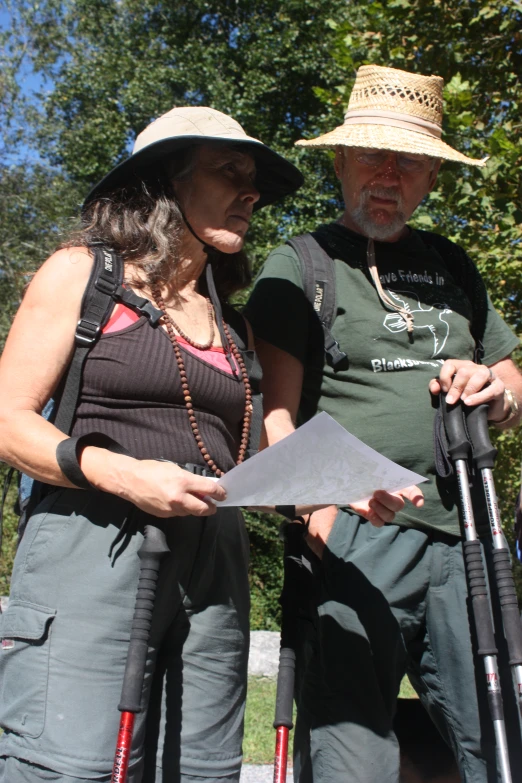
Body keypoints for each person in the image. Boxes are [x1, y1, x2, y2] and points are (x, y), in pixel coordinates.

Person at [0, 106, 305, 783]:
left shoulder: (235, 327)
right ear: (166, 180)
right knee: (71, 767)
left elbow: (254, 465)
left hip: (214, 565)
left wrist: (336, 485)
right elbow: (7, 421)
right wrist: (121, 472)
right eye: (230, 171)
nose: (250, 192)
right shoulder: (82, 275)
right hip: (91, 544)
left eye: (254, 179)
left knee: (200, 772)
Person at [245, 65, 522, 782]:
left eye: (410, 161)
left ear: (433, 175)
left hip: (465, 539)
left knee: (501, 745)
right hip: (357, 536)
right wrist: (319, 511)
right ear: (339, 160)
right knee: (352, 756)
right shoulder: (301, 263)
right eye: (373, 154)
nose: (388, 175)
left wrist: (494, 387)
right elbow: (276, 414)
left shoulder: (453, 266)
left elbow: (514, 375)